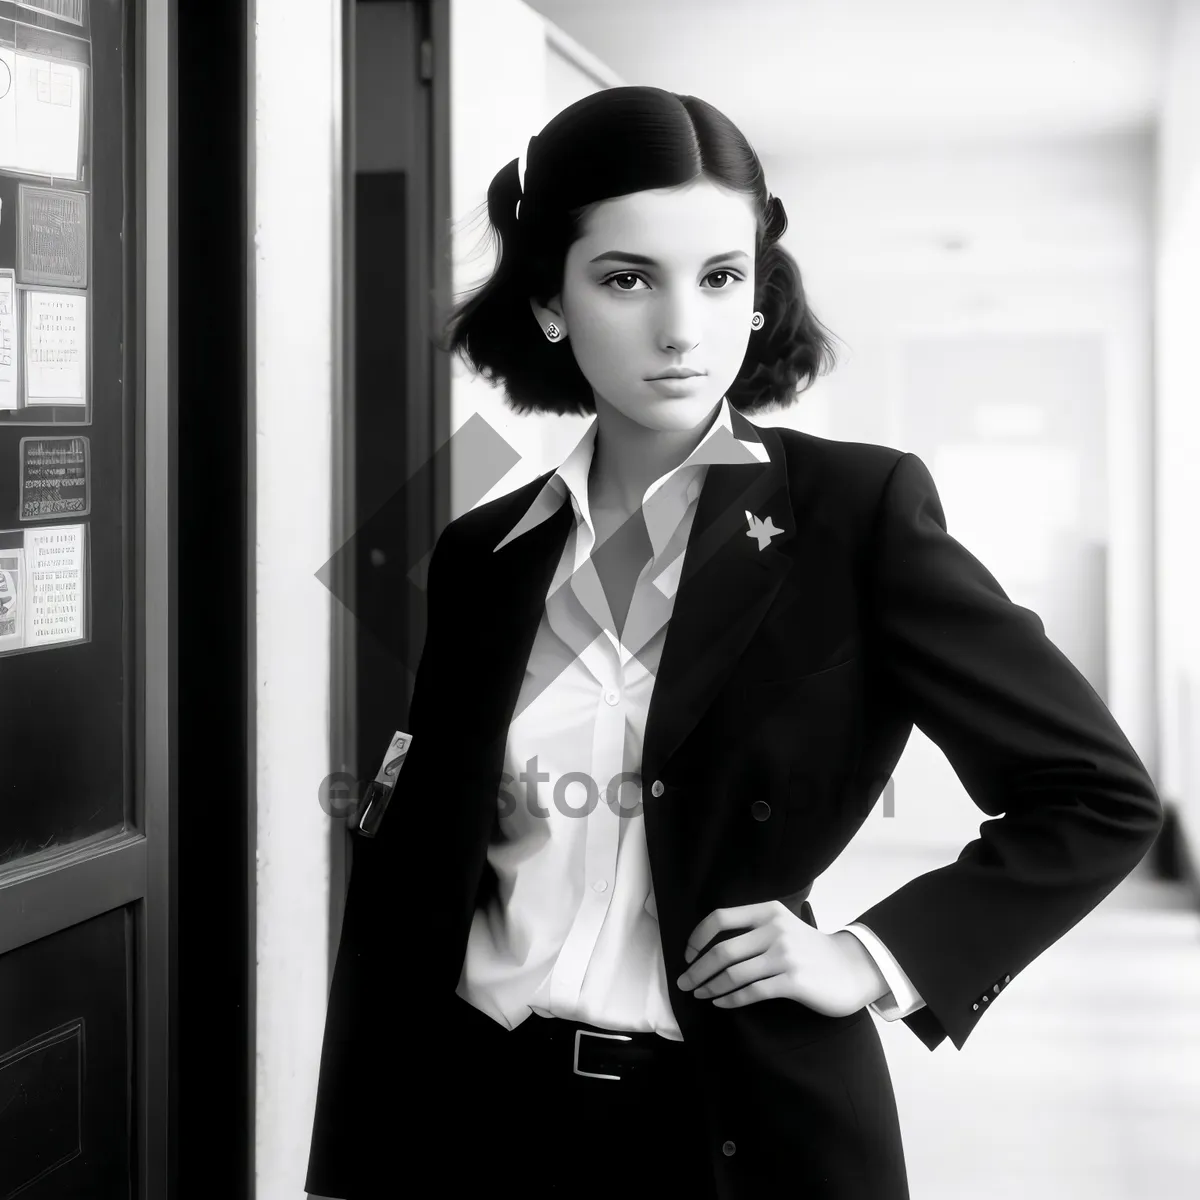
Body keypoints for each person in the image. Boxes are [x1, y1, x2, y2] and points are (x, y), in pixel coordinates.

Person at [305, 87, 1163, 1200]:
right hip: (479, 1118)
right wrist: (352, 1158)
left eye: (720, 277)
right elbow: (413, 872)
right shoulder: (488, 551)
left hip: (739, 1128)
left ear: (759, 294)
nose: (682, 328)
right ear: (552, 301)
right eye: (627, 278)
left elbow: (1096, 796)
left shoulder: (856, 512)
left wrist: (868, 959)